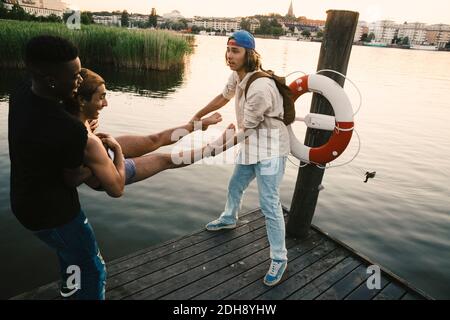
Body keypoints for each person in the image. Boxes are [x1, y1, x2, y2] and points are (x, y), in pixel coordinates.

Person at [8, 36, 107, 299]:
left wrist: (81, 128)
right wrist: (103, 155)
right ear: (50, 78)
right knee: (92, 269)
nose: (80, 80)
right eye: (74, 75)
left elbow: (48, 128)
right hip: (57, 214)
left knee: (69, 259)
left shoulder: (20, 92)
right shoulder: (67, 128)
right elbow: (73, 178)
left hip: (23, 202)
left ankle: (68, 288)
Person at [192, 30, 291, 286]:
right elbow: (223, 97)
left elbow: (244, 130)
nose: (229, 55)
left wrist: (215, 148)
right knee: (235, 185)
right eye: (228, 49)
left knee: (269, 203)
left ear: (250, 54)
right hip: (251, 145)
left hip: (270, 150)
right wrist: (197, 115)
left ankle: (279, 258)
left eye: (235, 51)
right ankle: (229, 217)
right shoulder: (238, 76)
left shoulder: (260, 87)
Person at [64, 67, 235, 192]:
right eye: (101, 98)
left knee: (154, 139)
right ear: (82, 100)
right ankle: (212, 149)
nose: (106, 103)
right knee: (165, 159)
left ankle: (198, 125)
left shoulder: (78, 117)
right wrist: (117, 152)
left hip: (104, 151)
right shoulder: (78, 135)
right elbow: (114, 187)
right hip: (111, 171)